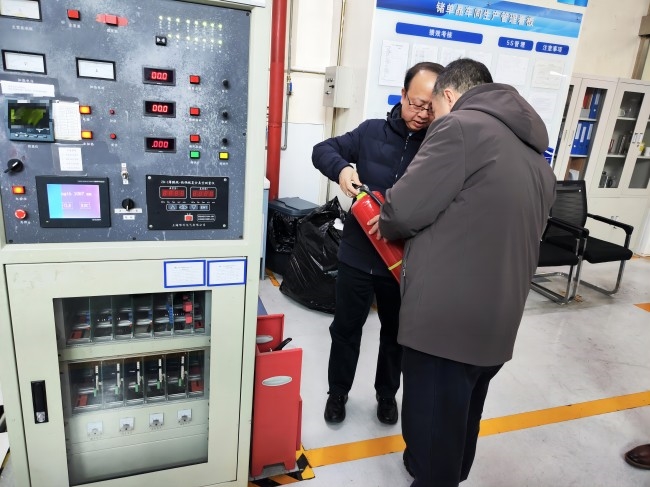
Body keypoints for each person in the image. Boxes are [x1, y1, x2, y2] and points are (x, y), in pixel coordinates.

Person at [377, 58, 556, 485]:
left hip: (445, 327)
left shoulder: (459, 127)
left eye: (434, 108)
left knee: (432, 430)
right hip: (497, 323)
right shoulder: (535, 156)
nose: (431, 119)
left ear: (449, 95)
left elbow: (401, 213)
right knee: (461, 419)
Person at [312, 61, 444, 425]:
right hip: (357, 256)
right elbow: (322, 149)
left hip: (402, 261)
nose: (422, 114)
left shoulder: (439, 146)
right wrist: (342, 169)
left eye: (430, 107)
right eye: (416, 103)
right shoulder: (371, 132)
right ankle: (337, 392)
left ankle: (386, 395)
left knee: (396, 336)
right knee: (345, 330)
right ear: (402, 95)